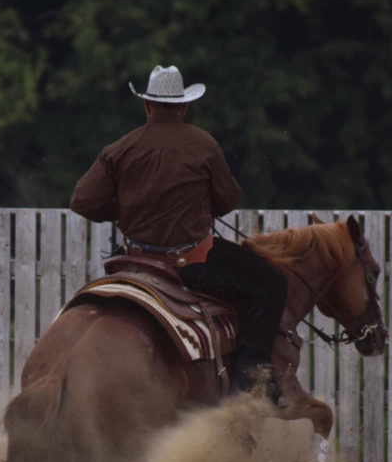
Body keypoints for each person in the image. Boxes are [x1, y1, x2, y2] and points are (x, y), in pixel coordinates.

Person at [70, 64, 287, 399]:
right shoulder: (203, 144)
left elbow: (82, 201)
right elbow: (228, 200)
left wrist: (125, 208)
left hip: (132, 263)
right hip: (191, 265)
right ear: (184, 105)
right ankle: (251, 384)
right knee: (271, 285)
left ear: (147, 105)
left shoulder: (120, 148)